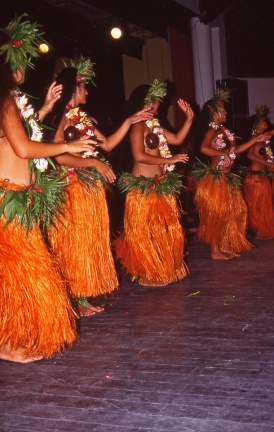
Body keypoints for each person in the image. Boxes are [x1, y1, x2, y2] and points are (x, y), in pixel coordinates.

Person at [0, 15, 95, 363]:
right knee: (15, 276)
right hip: (8, 201)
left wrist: (44, 109)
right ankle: (7, 345)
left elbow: (16, 139)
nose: (24, 69)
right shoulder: (5, 101)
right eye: (21, 62)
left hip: (16, 199)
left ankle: (14, 337)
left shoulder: (10, 102)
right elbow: (23, 149)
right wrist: (66, 148)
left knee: (22, 275)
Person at [45, 56, 153, 316]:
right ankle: (74, 299)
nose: (88, 91)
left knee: (87, 242)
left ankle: (81, 295)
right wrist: (93, 163)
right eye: (84, 87)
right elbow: (57, 155)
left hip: (87, 190)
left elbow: (107, 145)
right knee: (73, 243)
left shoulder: (83, 118)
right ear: (75, 89)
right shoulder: (62, 117)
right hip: (70, 188)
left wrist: (129, 121)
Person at [113, 79, 193, 286]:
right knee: (145, 233)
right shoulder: (138, 127)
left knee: (161, 231)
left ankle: (158, 267)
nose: (155, 105)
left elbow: (176, 139)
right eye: (151, 101)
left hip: (159, 184)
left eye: (156, 102)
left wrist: (189, 118)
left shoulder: (155, 126)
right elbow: (139, 156)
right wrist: (169, 160)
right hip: (143, 186)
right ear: (142, 103)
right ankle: (146, 273)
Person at [193, 89, 270, 260]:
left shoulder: (223, 131)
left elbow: (235, 150)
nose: (226, 111)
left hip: (226, 179)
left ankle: (223, 246)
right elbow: (204, 148)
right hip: (216, 179)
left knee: (228, 214)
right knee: (217, 215)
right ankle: (215, 251)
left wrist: (254, 140)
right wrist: (223, 154)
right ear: (213, 112)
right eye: (223, 109)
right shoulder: (211, 131)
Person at [242, 105, 274, 239]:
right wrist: (267, 163)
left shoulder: (264, 139)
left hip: (262, 177)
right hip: (254, 178)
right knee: (258, 206)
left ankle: (262, 231)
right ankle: (259, 231)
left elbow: (266, 155)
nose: (265, 121)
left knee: (264, 205)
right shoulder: (254, 138)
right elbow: (249, 155)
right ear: (256, 124)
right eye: (262, 120)